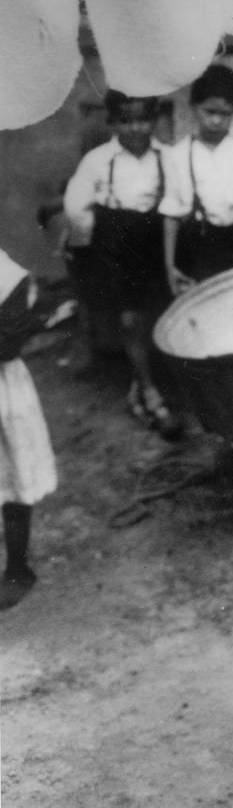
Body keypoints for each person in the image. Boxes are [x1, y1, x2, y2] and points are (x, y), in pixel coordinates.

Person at [63, 90, 179, 438]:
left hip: (160, 238)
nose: (135, 128)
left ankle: (174, 384)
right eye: (126, 120)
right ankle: (148, 390)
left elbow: (182, 198)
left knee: (168, 311)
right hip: (120, 243)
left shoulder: (169, 156)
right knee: (131, 319)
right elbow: (76, 207)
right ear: (112, 122)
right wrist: (81, 245)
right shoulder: (98, 161)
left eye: (143, 119)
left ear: (154, 120)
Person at [160, 64, 233, 293]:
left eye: (225, 114)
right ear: (194, 107)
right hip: (200, 248)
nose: (216, 120)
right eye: (209, 111)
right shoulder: (177, 155)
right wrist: (169, 264)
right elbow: (171, 214)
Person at [0, 250, 58, 612]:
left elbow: (7, 341)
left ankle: (18, 568)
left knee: (14, 475)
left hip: (3, 388)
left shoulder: (6, 275)